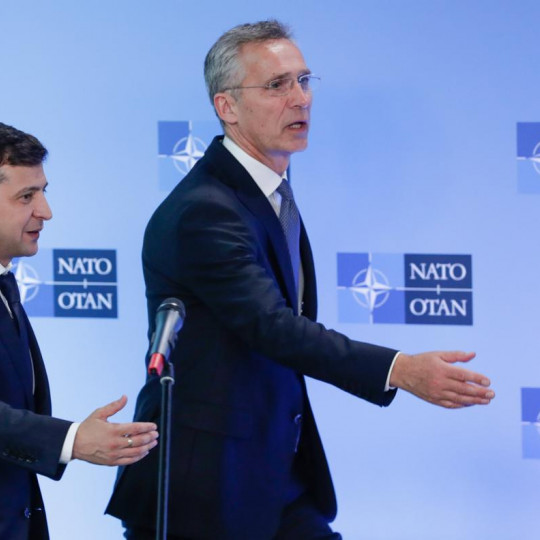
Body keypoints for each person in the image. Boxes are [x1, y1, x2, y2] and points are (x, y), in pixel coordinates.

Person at [106, 20, 495, 540]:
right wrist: (399, 369)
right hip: (206, 487)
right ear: (227, 106)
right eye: (277, 85)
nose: (300, 99)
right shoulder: (207, 209)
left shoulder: (266, 190)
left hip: (271, 472)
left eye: (304, 80)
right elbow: (273, 327)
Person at [0, 122, 159, 540]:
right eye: (26, 196)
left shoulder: (6, 284)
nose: (46, 211)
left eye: (43, 192)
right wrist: (72, 440)